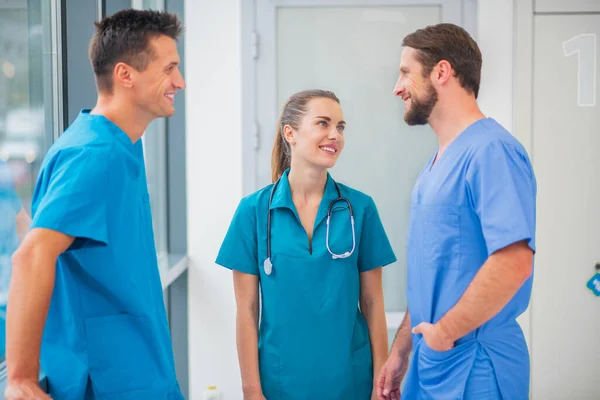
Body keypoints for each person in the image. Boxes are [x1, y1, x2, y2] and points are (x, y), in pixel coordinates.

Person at [5, 9, 186, 400]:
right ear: (126, 75)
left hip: (139, 367)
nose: (180, 82)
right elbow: (31, 256)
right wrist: (19, 378)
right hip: (107, 380)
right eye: (169, 69)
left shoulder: (121, 146)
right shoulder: (94, 154)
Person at [377, 23, 536, 400]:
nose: (397, 88)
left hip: (476, 366)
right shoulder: (436, 165)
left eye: (405, 73)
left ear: (442, 72)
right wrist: (402, 350)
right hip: (433, 362)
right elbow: (435, 275)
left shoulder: (491, 151)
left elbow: (514, 261)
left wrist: (445, 333)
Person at [216, 89, 397, 400]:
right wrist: (251, 390)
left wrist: (380, 380)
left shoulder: (360, 208)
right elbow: (246, 310)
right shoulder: (254, 212)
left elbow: (373, 302)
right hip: (280, 383)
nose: (334, 135)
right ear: (291, 134)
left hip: (350, 380)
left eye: (340, 127)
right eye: (323, 124)